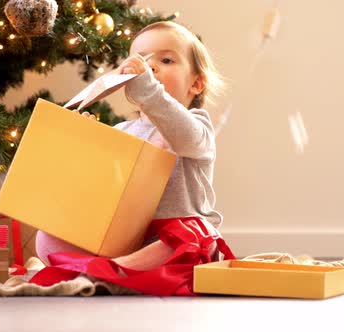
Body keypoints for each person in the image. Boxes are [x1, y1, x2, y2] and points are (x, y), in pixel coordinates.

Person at [33, 21, 234, 294]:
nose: (151, 68)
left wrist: (149, 90)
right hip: (131, 236)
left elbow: (183, 134)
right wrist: (89, 142)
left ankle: (115, 270)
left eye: (166, 60)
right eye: (142, 61)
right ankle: (115, 268)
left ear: (196, 83)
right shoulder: (122, 131)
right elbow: (103, 187)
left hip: (176, 237)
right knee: (47, 238)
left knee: (198, 234)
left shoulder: (197, 125)